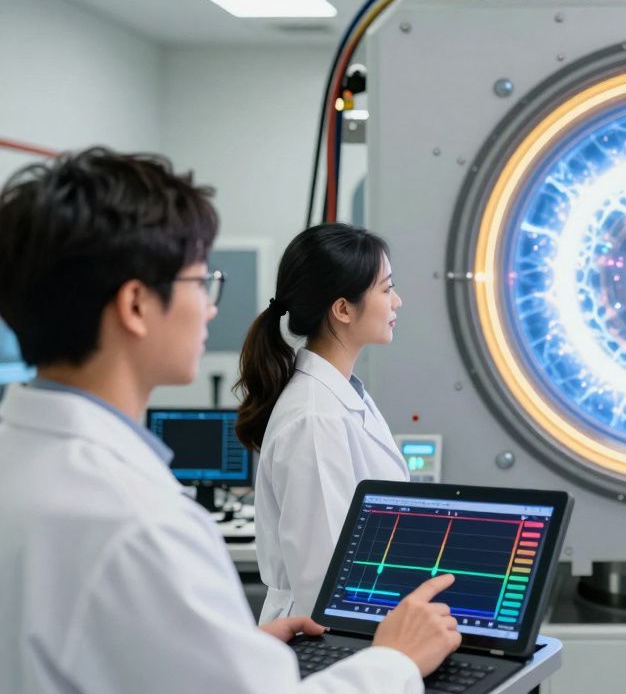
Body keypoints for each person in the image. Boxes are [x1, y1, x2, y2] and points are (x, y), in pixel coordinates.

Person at [0, 148, 460, 693]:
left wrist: (231, 650)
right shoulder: (141, 525)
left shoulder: (26, 461)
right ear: (136, 305)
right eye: (202, 282)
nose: (212, 307)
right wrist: (398, 661)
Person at [235, 223, 410, 623]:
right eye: (386, 289)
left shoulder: (341, 397)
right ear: (343, 308)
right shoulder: (314, 419)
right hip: (323, 638)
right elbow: (325, 582)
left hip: (356, 627)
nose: (397, 301)